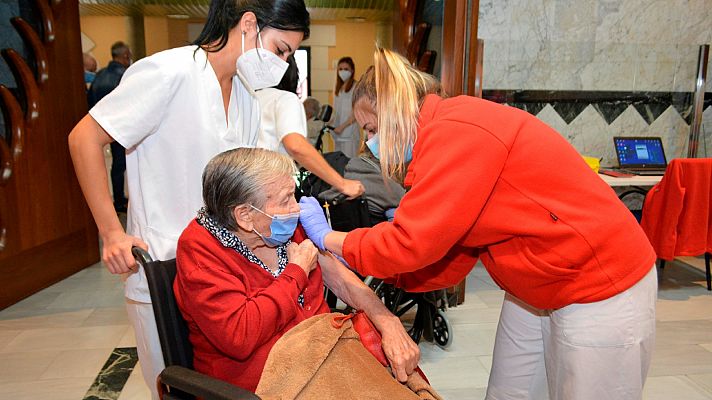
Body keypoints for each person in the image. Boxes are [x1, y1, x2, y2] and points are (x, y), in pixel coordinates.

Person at [299, 48, 657, 400]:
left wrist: (334, 240)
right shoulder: (441, 135)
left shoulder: (456, 131)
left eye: (372, 129)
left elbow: (412, 242)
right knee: (509, 391)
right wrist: (374, 265)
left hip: (598, 280)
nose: (370, 143)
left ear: (396, 110)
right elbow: (449, 255)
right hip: (537, 282)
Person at [68, 1, 310, 398]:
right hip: (164, 263)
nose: (282, 63)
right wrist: (111, 232)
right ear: (248, 24)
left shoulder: (248, 96)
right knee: (174, 385)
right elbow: (84, 138)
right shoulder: (168, 72)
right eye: (281, 49)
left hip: (225, 271)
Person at [174, 147, 419, 391]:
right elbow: (240, 336)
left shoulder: (282, 228)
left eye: (293, 195)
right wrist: (296, 271)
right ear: (244, 215)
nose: (296, 208)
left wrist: (388, 323)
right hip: (270, 384)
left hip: (324, 357)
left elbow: (341, 280)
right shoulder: (200, 251)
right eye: (285, 200)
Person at [255, 55, 364, 198]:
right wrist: (342, 184)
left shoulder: (254, 97)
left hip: (254, 177)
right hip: (274, 178)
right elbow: (296, 147)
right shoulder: (285, 99)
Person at [87, 41, 133, 212]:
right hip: (122, 127)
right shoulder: (126, 76)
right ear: (125, 56)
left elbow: (90, 101)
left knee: (109, 165)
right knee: (123, 165)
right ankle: (121, 200)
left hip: (99, 127)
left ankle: (114, 199)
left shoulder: (99, 75)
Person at [331, 56, 359, 158]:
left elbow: (356, 113)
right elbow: (336, 110)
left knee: (348, 164)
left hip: (349, 134)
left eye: (346, 69)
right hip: (337, 134)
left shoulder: (356, 87)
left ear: (352, 70)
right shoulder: (338, 88)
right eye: (340, 69)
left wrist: (342, 127)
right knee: (338, 163)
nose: (343, 72)